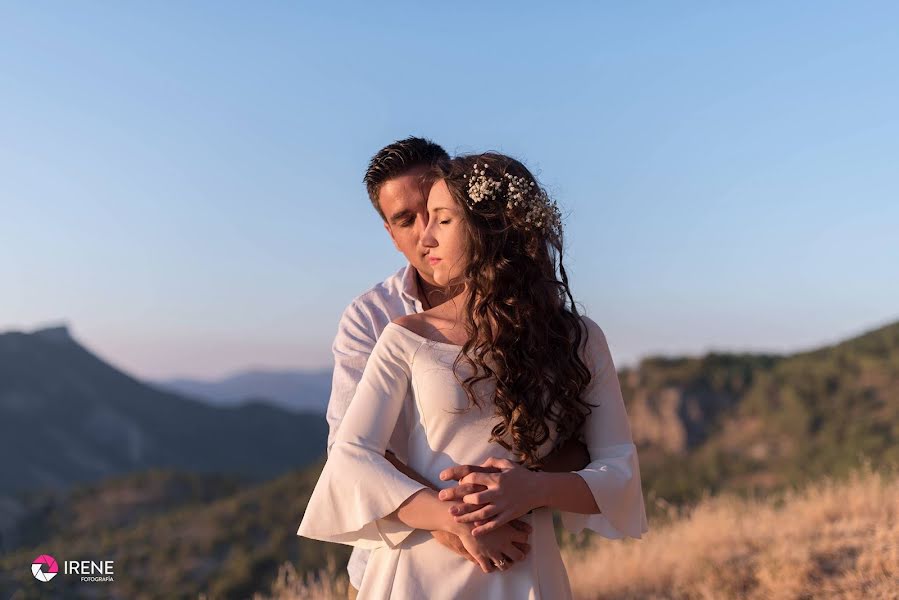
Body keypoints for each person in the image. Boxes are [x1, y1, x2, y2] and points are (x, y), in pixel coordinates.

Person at [319, 138, 592, 598]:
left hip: (515, 551)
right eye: (407, 220)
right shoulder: (372, 318)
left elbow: (577, 443)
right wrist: (456, 522)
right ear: (390, 232)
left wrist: (518, 491)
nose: (427, 231)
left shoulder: (540, 317)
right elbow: (351, 450)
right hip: (401, 556)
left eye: (437, 212)